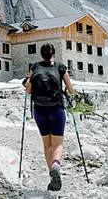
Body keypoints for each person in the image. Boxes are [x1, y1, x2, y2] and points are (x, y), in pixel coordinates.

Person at [23, 43, 74, 191]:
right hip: (56, 108)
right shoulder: (60, 67)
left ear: (41, 55)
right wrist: (66, 92)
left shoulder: (34, 67)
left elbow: (29, 90)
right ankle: (56, 165)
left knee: (47, 144)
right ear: (54, 54)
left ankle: (52, 176)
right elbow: (71, 90)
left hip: (39, 110)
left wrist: (27, 84)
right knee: (58, 143)